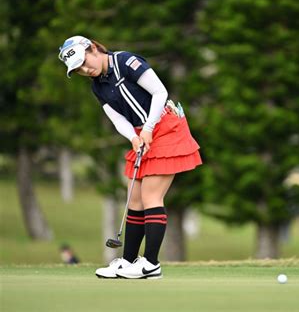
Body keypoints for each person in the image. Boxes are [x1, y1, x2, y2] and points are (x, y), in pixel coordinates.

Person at [58, 35, 202, 279]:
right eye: (79, 69)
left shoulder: (126, 62)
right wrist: (134, 138)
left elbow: (159, 92)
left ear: (93, 48)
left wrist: (147, 128)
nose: (85, 69)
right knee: (134, 199)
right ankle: (127, 261)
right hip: (141, 136)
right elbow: (117, 119)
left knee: (151, 196)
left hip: (166, 128)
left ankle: (151, 264)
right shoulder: (97, 86)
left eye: (85, 61)